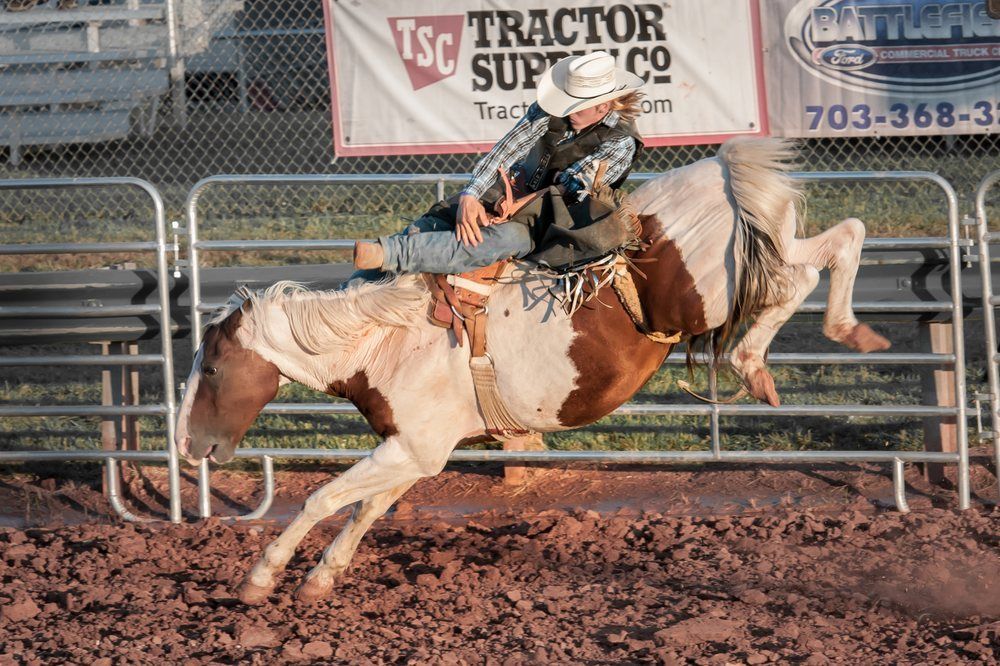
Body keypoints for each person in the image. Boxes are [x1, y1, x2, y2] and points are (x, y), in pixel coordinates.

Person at [351, 50, 645, 277]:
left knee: (491, 241)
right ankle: (353, 287)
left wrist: (508, 212)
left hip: (547, 224)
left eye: (575, 104)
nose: (566, 109)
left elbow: (571, 187)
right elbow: (506, 150)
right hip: (507, 194)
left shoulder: (620, 142)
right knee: (438, 219)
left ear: (603, 106)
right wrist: (471, 195)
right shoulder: (549, 112)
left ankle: (391, 253)